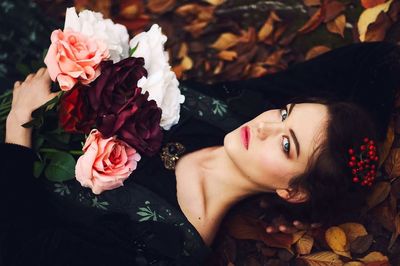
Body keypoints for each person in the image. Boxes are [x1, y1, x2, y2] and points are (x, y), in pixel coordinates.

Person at [1, 42, 400, 266]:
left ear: (293, 189)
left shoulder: (167, 248)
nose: (265, 126)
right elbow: (377, 61)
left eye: (286, 144)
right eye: (284, 113)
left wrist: (21, 122)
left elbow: (23, 249)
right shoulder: (245, 110)